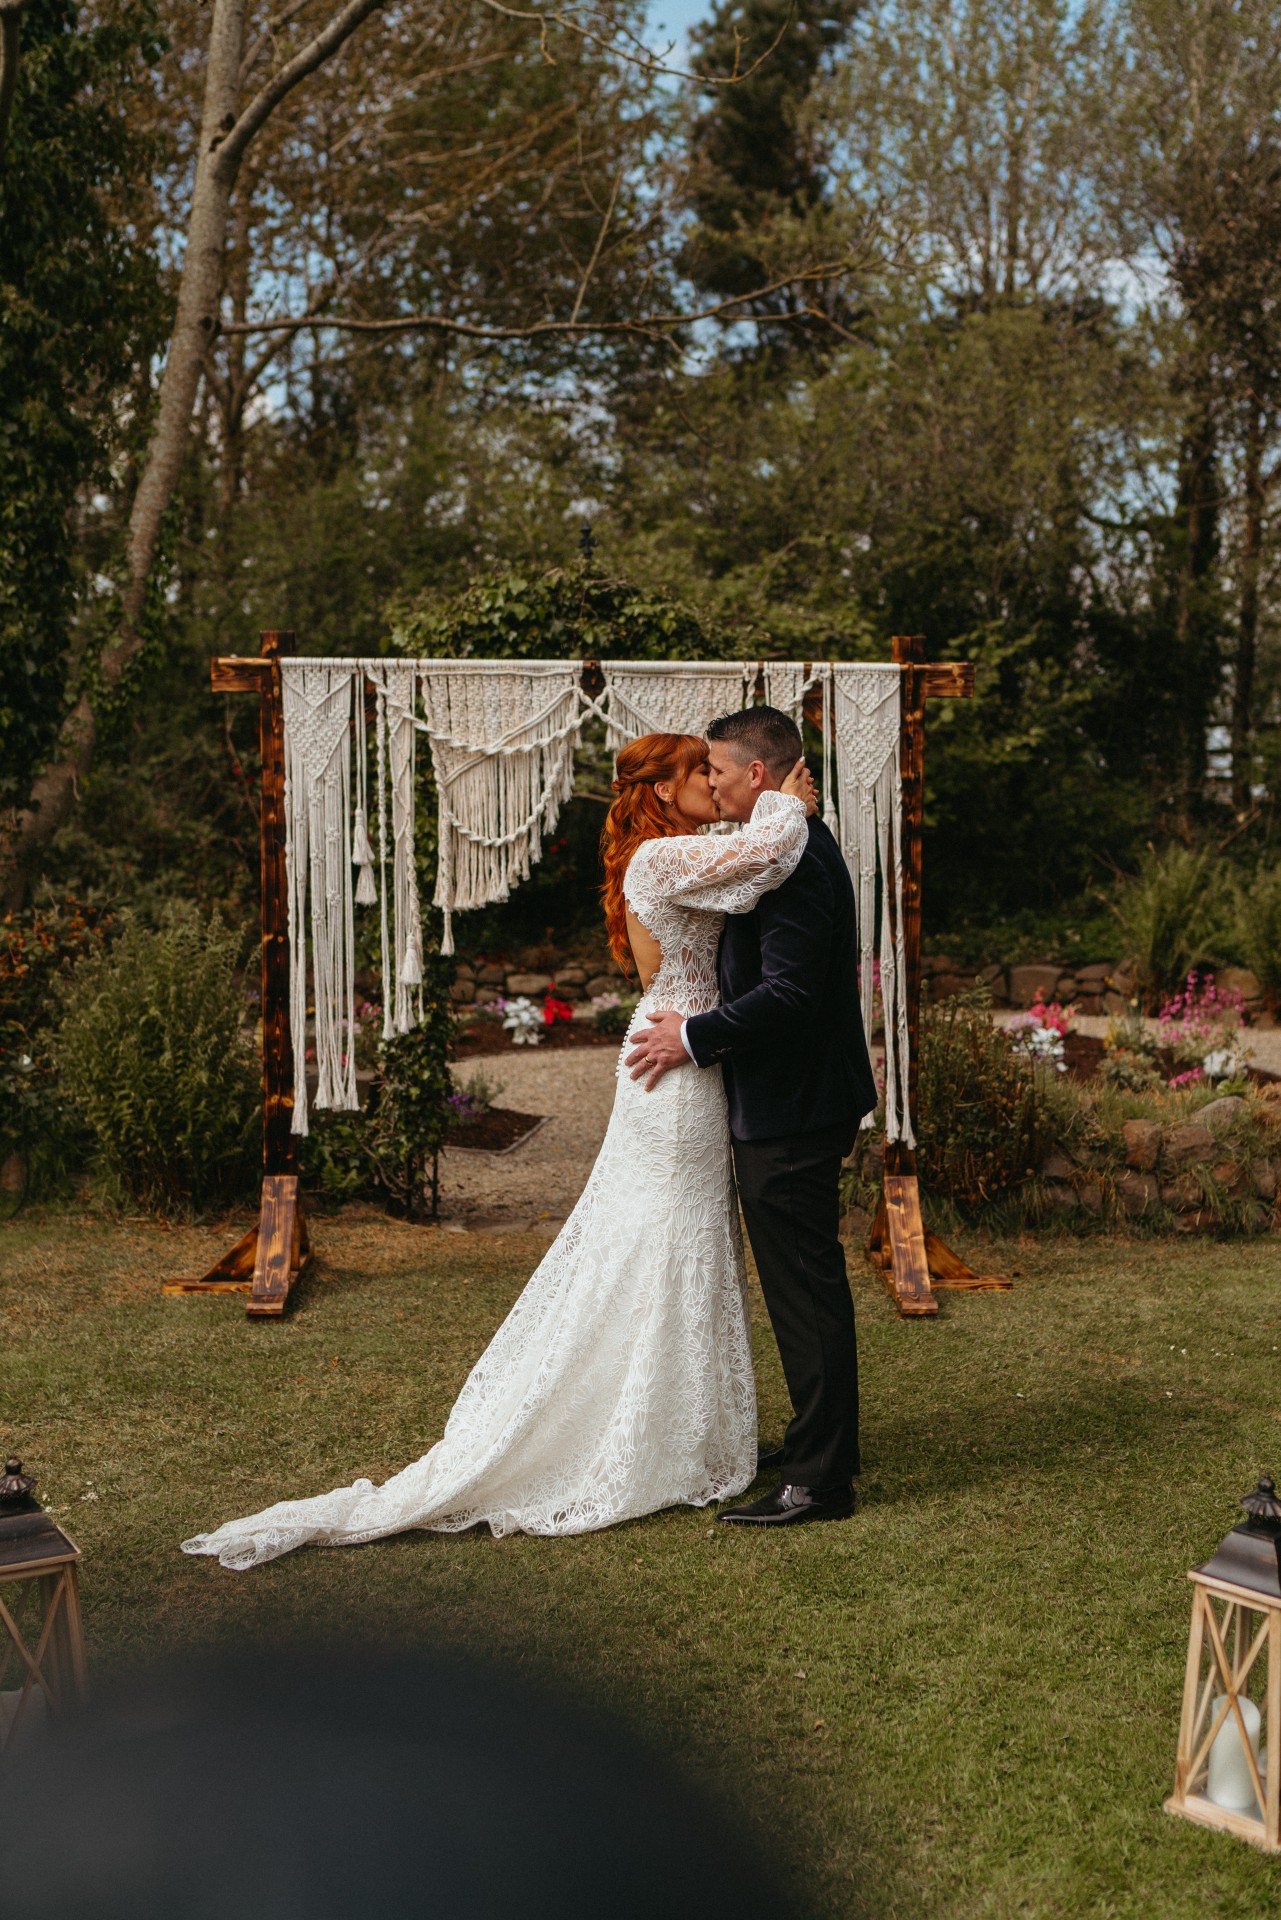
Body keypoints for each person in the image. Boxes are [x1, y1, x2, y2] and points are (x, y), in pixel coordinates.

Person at [182, 733, 815, 1569]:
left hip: (690, 1054)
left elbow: (754, 866)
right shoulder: (661, 860)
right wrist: (788, 800)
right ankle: (636, 1432)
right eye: (695, 770)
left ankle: (687, 1429)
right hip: (672, 1060)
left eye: (713, 766)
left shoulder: (691, 850)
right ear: (660, 793)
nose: (711, 779)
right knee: (663, 1236)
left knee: (682, 1238)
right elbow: (773, 851)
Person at [627, 706, 877, 1528]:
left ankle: (819, 1482)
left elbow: (792, 994)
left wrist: (695, 1035)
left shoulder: (795, 860)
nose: (712, 779)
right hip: (783, 1099)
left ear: (755, 776)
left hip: (796, 1106)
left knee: (804, 1292)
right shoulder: (776, 842)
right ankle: (816, 1440)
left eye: (720, 769)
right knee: (797, 1287)